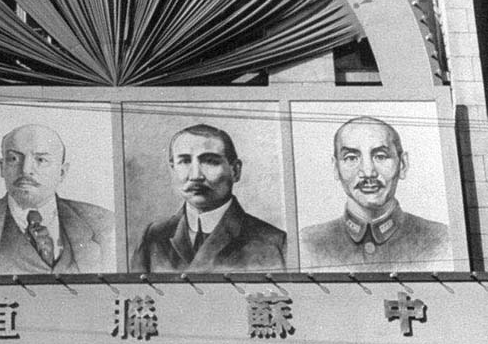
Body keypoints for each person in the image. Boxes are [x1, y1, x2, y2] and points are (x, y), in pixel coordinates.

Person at [0, 123, 115, 274]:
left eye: (41, 160)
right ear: (2, 167)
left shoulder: (104, 223)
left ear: (62, 172)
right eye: (14, 159)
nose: (25, 170)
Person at [300, 115, 451, 271]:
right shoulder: (307, 244)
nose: (368, 172)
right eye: (351, 158)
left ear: (403, 164)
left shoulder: (442, 240)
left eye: (380, 156)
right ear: (335, 168)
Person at [131, 123, 286, 272]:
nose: (195, 176)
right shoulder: (153, 236)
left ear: (235, 171)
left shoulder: (273, 242)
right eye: (185, 161)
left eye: (210, 161)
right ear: (173, 170)